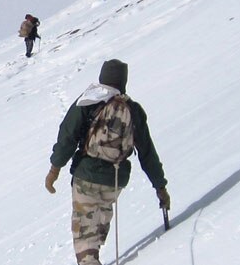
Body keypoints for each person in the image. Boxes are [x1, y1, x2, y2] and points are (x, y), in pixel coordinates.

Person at [44, 59, 170, 265]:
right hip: (115, 180)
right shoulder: (133, 110)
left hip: (87, 175)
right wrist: (160, 187)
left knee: (85, 235)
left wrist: (54, 169)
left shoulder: (89, 100)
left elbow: (68, 136)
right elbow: (147, 152)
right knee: (99, 221)